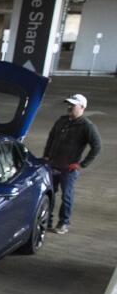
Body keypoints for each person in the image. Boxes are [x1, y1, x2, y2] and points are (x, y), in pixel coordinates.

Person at [43, 94, 102, 234]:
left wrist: (81, 164)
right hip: (52, 165)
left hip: (68, 169)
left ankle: (63, 223)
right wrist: (46, 155)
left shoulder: (87, 126)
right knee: (49, 193)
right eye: (68, 104)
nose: (69, 107)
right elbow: (51, 138)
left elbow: (97, 146)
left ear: (82, 107)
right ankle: (47, 221)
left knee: (66, 196)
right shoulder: (61, 121)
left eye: (73, 105)